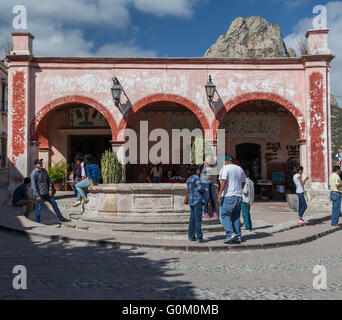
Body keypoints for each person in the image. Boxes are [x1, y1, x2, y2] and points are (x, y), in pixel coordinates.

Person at [218, 155, 246, 244]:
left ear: (225, 162)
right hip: (238, 196)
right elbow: (243, 181)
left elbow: (224, 181)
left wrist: (219, 194)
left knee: (224, 215)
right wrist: (239, 190)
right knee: (236, 217)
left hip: (228, 196)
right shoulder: (239, 168)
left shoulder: (225, 168)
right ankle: (238, 237)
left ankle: (230, 233)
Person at [30, 159, 68, 223]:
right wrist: (37, 195)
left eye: (41, 163)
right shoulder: (33, 173)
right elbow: (33, 186)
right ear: (35, 165)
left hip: (46, 193)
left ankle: (60, 218)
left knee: (54, 203)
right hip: (38, 194)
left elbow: (49, 181)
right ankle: (37, 222)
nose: (41, 164)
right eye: (39, 163)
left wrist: (50, 189)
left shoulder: (44, 171)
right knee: (38, 209)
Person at [186, 165, 206, 243]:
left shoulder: (188, 179)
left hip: (191, 200)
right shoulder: (196, 177)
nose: (199, 170)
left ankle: (191, 236)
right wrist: (205, 190)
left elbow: (187, 190)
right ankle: (199, 237)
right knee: (198, 220)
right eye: (198, 169)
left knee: (192, 219)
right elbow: (200, 188)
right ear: (195, 170)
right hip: (197, 200)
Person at [200, 154, 218, 219]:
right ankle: (205, 212)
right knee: (206, 198)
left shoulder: (211, 165)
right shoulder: (202, 164)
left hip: (210, 182)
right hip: (204, 182)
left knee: (213, 198)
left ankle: (215, 212)